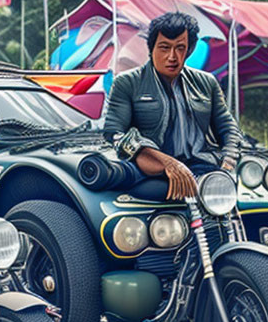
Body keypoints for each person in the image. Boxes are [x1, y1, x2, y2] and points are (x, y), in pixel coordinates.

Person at [102, 11, 241, 199]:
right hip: (154, 172)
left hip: (203, 166)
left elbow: (227, 126)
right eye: (164, 47)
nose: (172, 57)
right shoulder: (127, 82)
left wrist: (229, 161)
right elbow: (114, 133)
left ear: (189, 50)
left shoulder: (207, 82)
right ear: (151, 48)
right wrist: (166, 162)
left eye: (180, 48)